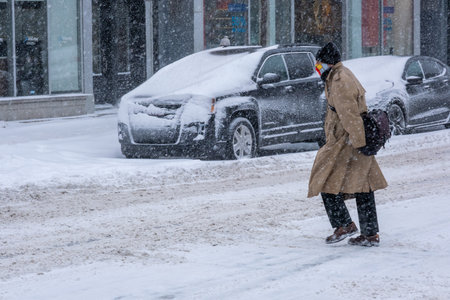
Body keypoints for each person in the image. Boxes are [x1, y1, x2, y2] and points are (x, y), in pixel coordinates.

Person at [308, 42, 388, 247]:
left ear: (328, 63)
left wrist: (361, 144)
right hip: (348, 140)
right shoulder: (338, 75)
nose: (318, 69)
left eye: (319, 65)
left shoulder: (340, 80)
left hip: (346, 142)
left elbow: (350, 115)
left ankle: (344, 225)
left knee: (325, 180)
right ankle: (369, 234)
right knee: (363, 186)